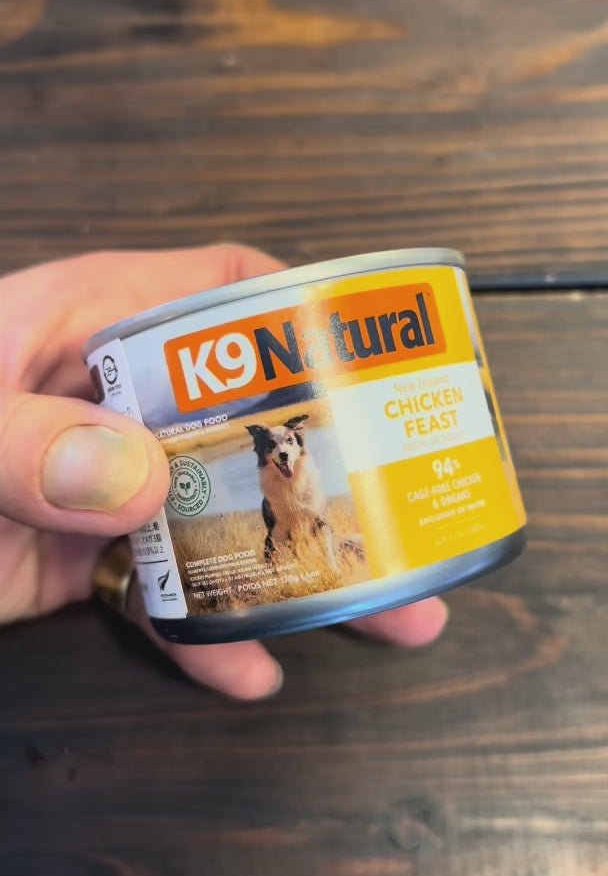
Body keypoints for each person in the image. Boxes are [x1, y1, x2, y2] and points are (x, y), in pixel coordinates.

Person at [0, 243, 449, 699]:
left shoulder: (305, 464)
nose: (282, 452)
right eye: (274, 447)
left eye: (288, 445)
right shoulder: (266, 468)